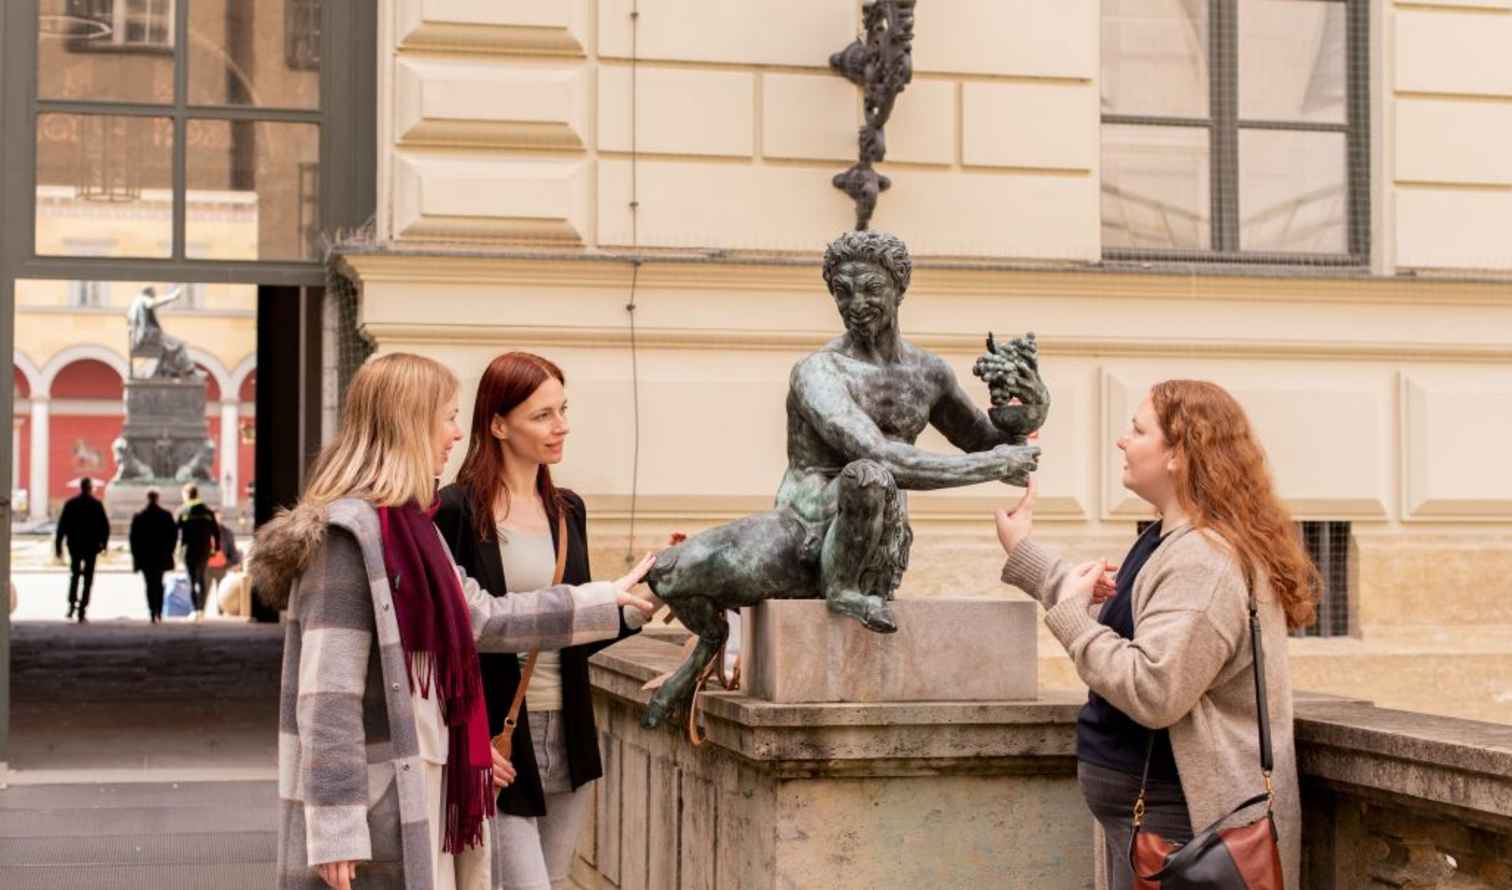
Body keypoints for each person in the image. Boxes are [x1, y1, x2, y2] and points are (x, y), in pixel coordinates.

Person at [250, 352, 659, 890]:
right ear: (407, 426)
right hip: (380, 798)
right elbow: (328, 698)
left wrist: (605, 599)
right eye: (445, 418)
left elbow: (483, 618)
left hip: (422, 784)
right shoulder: (347, 539)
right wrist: (335, 830)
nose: (452, 435)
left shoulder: (411, 528)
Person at [995, 380, 1316, 890]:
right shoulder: (1166, 539)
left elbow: (1154, 689)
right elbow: (1109, 617)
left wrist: (1073, 623)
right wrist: (1027, 554)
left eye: (1138, 430)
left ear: (1179, 455)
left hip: (1182, 830)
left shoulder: (1202, 560)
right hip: (1155, 820)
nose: (1122, 441)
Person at [433, 352, 654, 890]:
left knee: (553, 881)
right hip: (499, 739)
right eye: (542, 415)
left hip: (571, 728)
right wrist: (466, 739)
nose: (562, 426)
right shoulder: (456, 511)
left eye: (563, 409)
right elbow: (449, 637)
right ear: (498, 424)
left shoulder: (567, 509)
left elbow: (577, 625)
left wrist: (648, 595)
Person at [54, 477, 110, 622]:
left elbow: (62, 526)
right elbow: (105, 527)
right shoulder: (96, 505)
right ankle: (82, 609)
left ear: (81, 487)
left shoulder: (71, 504)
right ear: (90, 488)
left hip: (75, 545)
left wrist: (58, 547)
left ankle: (71, 605)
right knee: (88, 579)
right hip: (91, 546)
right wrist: (104, 545)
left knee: (74, 575)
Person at [129, 489, 178, 623]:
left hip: (145, 557)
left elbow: (133, 539)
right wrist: (170, 550)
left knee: (149, 584)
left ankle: (152, 611)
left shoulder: (139, 517)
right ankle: (159, 611)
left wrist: (135, 556)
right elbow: (174, 535)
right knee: (159, 583)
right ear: (157, 499)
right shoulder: (166, 515)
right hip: (161, 555)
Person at [177, 484, 221, 621]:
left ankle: (195, 609)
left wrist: (174, 550)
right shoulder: (208, 511)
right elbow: (216, 531)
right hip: (204, 549)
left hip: (188, 550)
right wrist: (216, 548)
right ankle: (201, 609)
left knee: (191, 579)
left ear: (186, 495)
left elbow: (175, 532)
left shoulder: (183, 511)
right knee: (201, 578)